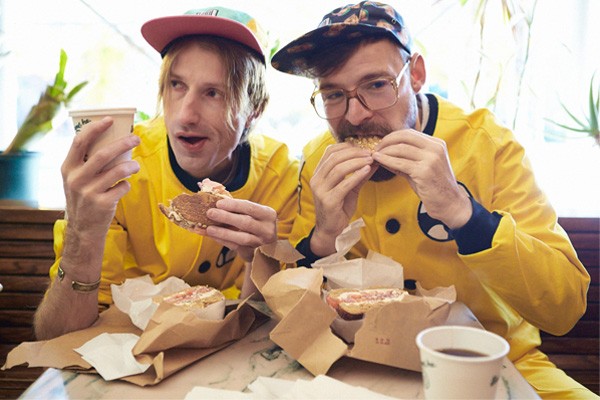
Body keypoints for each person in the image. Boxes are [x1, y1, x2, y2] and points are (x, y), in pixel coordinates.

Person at [270, 2, 594, 399]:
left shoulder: (487, 144)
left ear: (416, 75)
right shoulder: (319, 159)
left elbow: (564, 308)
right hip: (360, 361)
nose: (355, 116)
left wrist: (464, 213)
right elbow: (293, 309)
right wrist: (323, 238)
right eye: (334, 94)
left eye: (376, 85)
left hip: (497, 360)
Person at [34, 7, 298, 340]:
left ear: (254, 110)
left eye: (213, 93)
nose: (186, 115)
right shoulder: (119, 169)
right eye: (177, 85)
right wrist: (82, 233)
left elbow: (258, 331)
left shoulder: (280, 175)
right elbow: (56, 336)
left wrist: (260, 261)